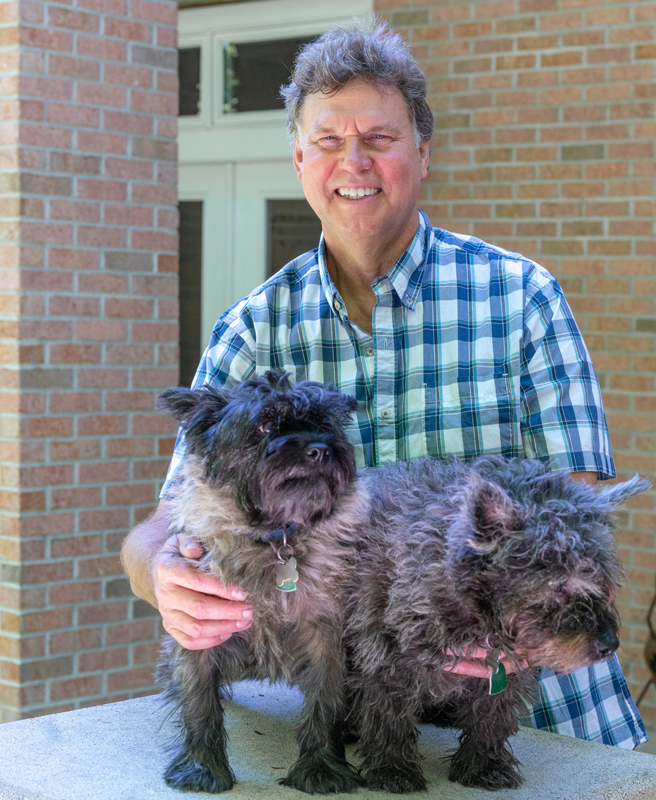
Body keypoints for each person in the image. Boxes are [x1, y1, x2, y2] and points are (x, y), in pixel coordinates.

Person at [121, 17, 646, 748]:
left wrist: (516, 626)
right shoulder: (252, 332)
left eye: (379, 139)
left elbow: (583, 507)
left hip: (536, 719)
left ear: (423, 152)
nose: (353, 163)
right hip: (352, 727)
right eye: (329, 142)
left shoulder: (522, 299)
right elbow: (160, 528)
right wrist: (164, 578)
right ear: (300, 158)